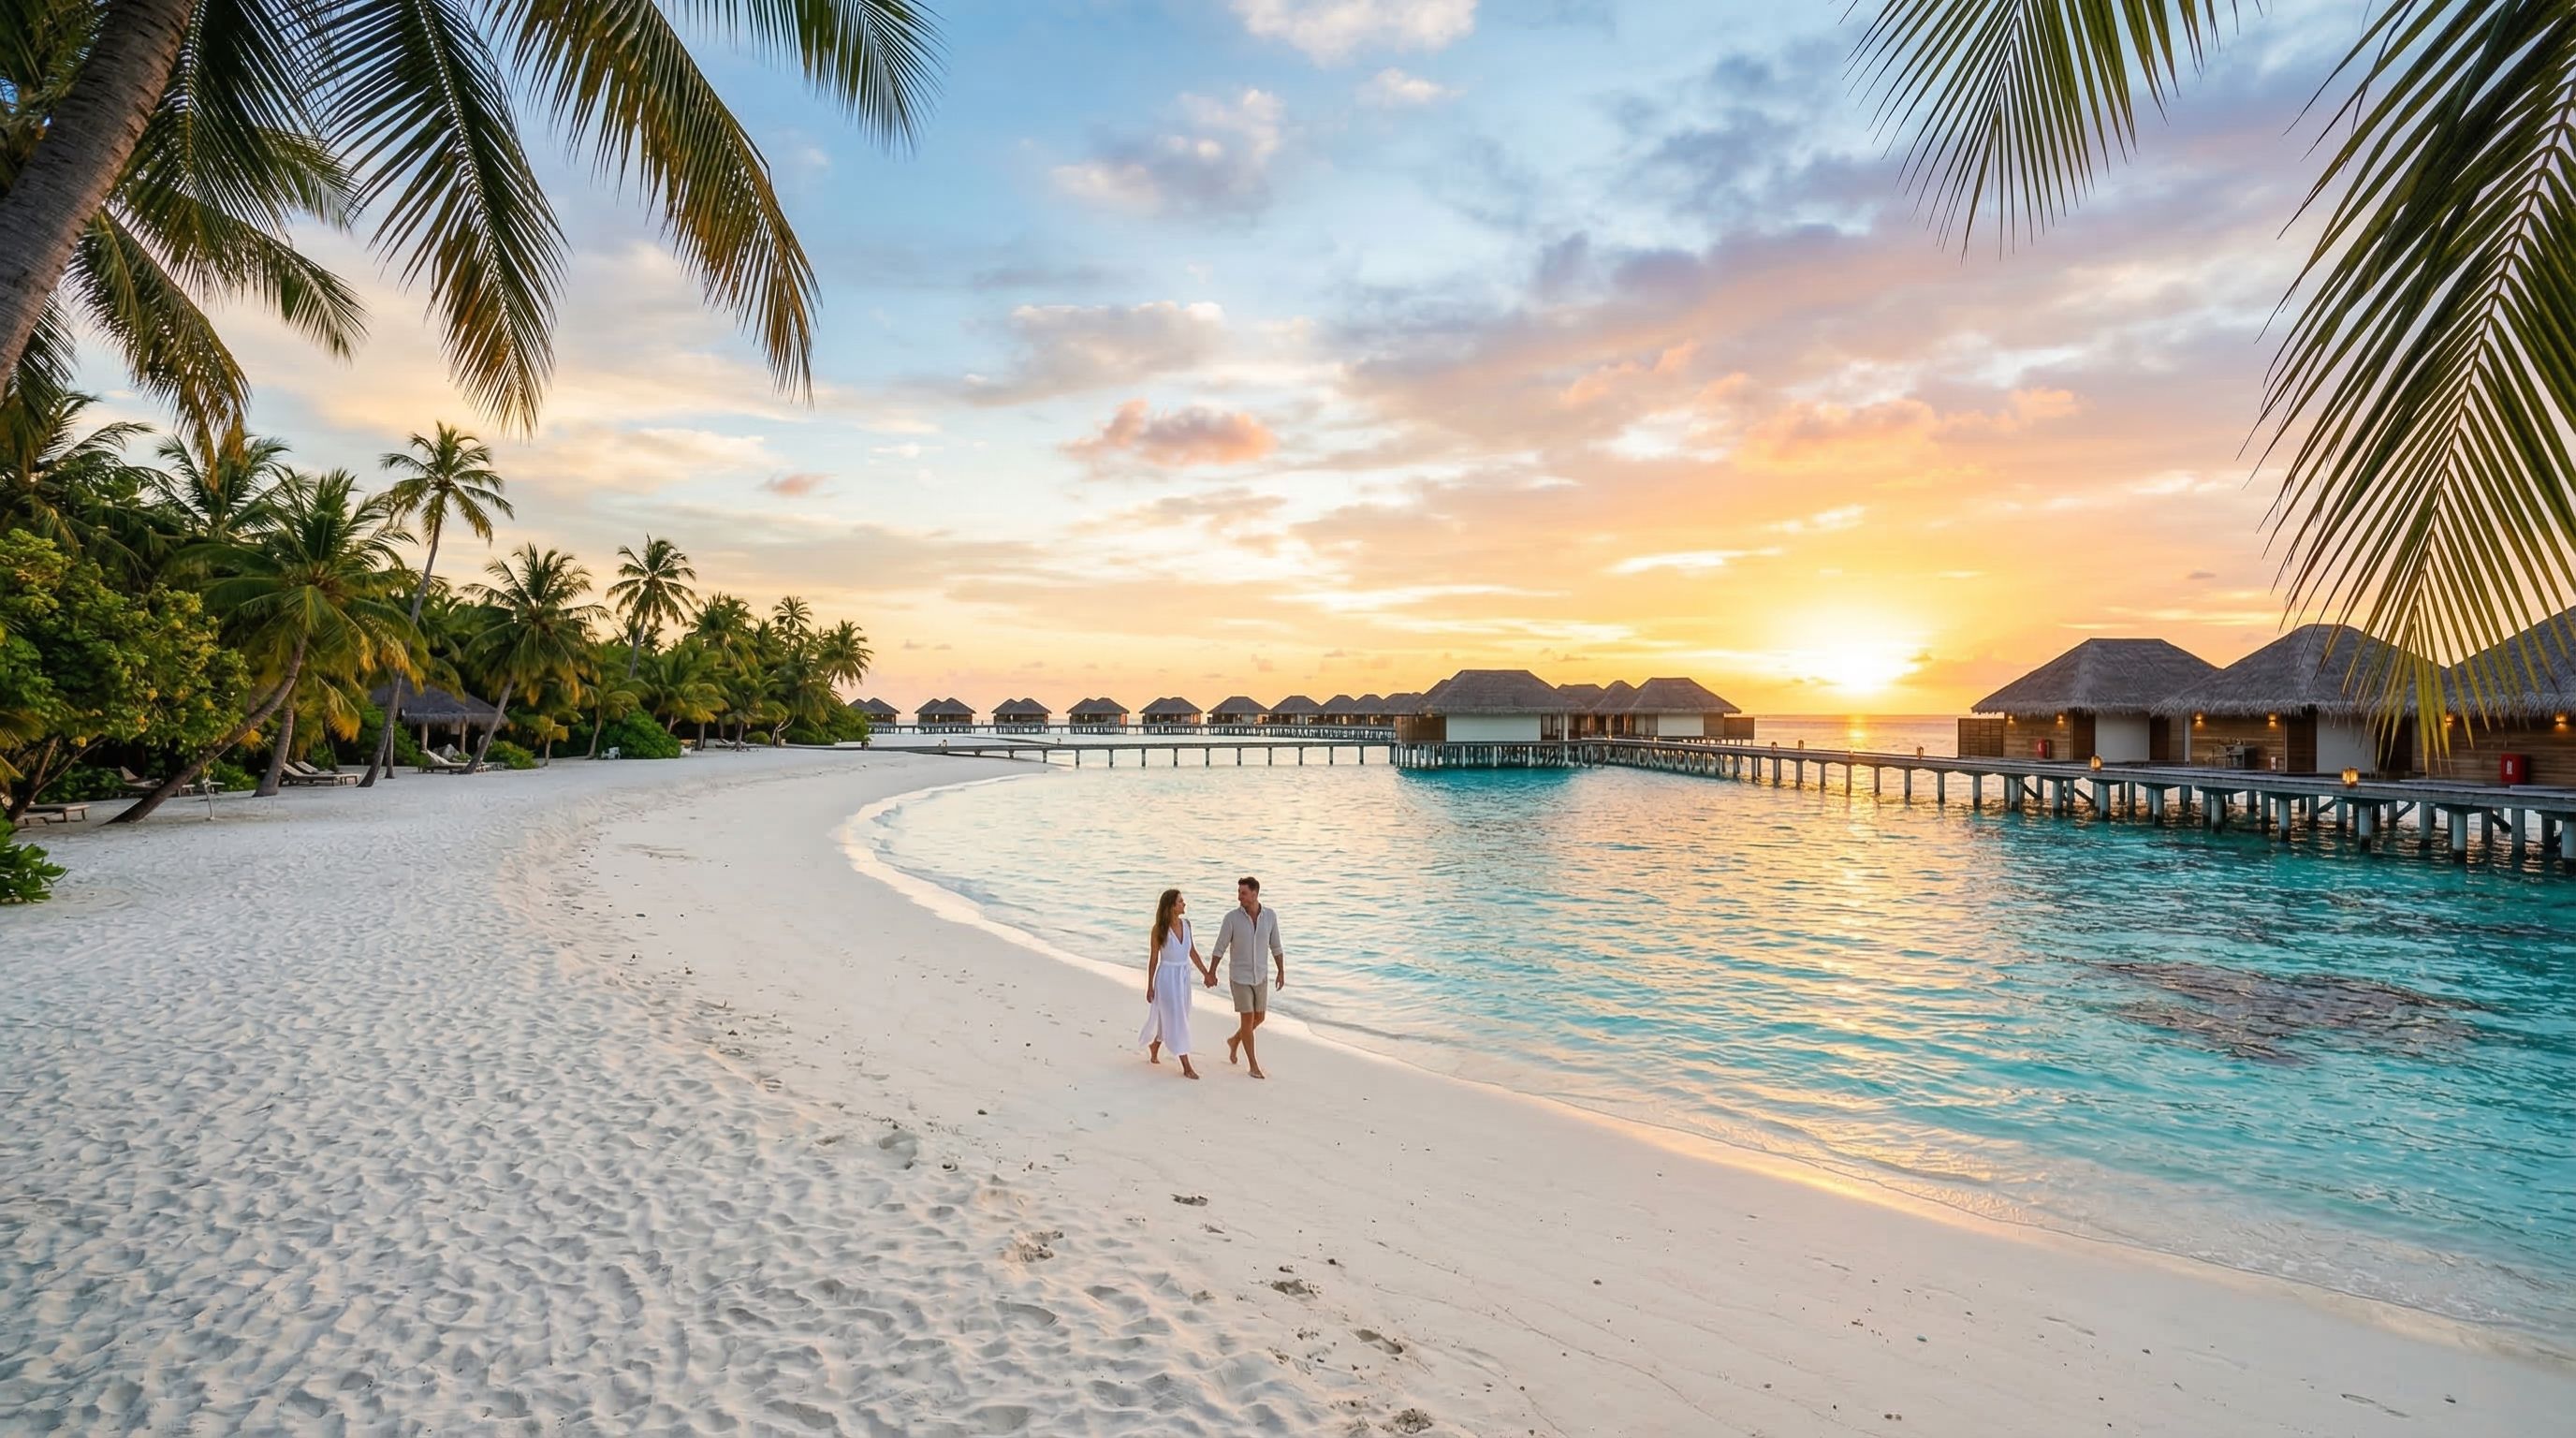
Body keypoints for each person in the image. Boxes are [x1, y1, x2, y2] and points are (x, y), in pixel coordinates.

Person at [1208, 875, 1285, 1078]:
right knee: (1248, 1018)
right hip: (1240, 977)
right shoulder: (1231, 918)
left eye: (1243, 893)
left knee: (1259, 1018)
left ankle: (1234, 1040)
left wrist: (1281, 971)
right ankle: (1253, 1065)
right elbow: (1220, 946)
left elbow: (1275, 946)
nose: (1239, 897)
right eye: (1239, 892)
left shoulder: (1270, 916)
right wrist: (1211, 972)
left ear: (1254, 893)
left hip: (1261, 976)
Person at [1138, 888, 1208, 1079]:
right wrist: (1150, 986)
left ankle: (1155, 1045)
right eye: (1180, 901)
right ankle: (1186, 1065)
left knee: (1179, 1014)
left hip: (1183, 977)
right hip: (1167, 978)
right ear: (1171, 906)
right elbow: (1153, 960)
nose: (1184, 904)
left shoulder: (1187, 925)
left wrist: (1206, 973)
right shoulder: (1159, 930)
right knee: (1177, 1019)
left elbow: (1192, 952)